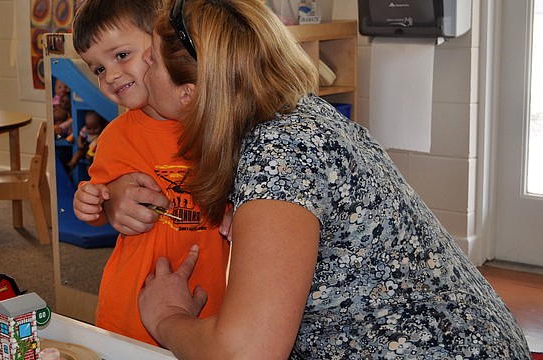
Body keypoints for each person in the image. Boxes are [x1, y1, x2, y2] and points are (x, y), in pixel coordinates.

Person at [116, 0, 530, 358]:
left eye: (149, 59)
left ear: (189, 93)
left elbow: (244, 353)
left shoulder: (280, 157)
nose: (140, 69)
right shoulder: (296, 114)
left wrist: (168, 317)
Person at [70, 0, 230, 346]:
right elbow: (101, 208)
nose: (110, 75)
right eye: (97, 68)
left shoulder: (216, 129)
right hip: (131, 307)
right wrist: (94, 203)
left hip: (210, 301)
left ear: (160, 46)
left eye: (121, 55)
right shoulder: (115, 135)